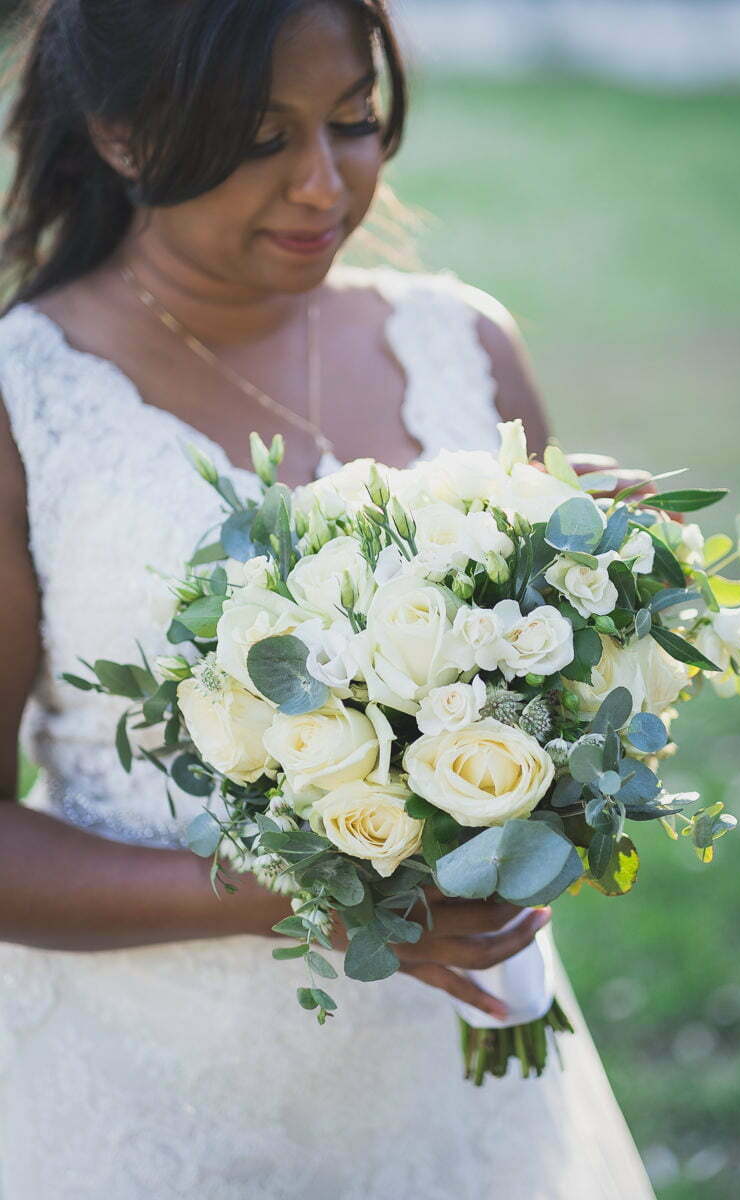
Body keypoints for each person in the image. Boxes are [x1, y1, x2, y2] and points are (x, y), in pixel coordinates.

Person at [0, 2, 656, 1196]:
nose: (321, 185)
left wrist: (605, 589)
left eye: (352, 123)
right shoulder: (25, 403)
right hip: (149, 1099)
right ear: (120, 134)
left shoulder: (462, 345)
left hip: (452, 1090)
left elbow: (554, 732)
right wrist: (300, 895)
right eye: (258, 139)